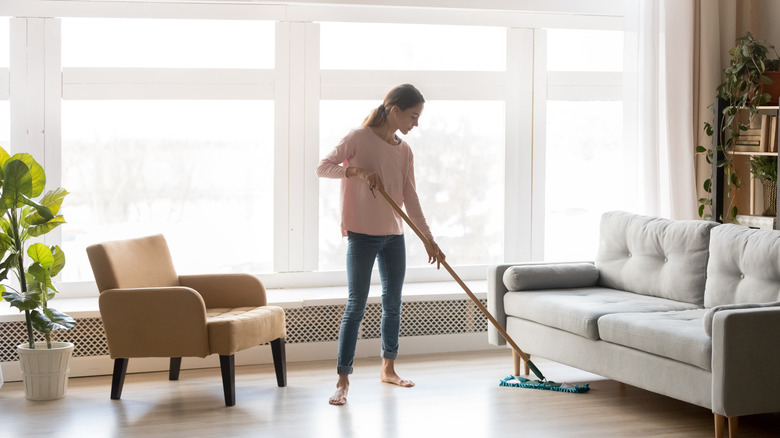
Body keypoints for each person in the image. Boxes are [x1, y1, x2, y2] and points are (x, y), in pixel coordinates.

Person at [316, 83, 445, 406]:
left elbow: (410, 198)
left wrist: (429, 239)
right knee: (356, 305)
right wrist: (355, 171)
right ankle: (343, 380)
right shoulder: (358, 138)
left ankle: (388, 368)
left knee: (393, 304)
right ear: (395, 110)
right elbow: (323, 167)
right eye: (413, 116)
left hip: (394, 237)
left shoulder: (404, 150)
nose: (416, 123)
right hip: (362, 235)